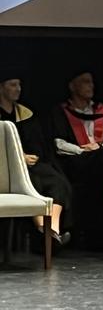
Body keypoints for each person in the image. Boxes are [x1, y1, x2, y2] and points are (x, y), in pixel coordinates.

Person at [47, 70, 103, 248]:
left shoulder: (102, 111)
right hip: (74, 163)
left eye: (91, 82)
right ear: (72, 86)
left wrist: (98, 148)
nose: (91, 86)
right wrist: (82, 151)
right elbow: (58, 144)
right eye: (85, 82)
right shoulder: (61, 111)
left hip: (101, 160)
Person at [0, 70, 72, 245]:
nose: (18, 89)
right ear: (1, 88)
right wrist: (19, 158)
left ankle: (52, 229)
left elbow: (37, 144)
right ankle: (44, 231)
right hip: (5, 169)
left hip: (30, 165)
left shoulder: (26, 114)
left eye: (19, 85)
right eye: (13, 85)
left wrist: (31, 156)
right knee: (33, 184)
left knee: (58, 182)